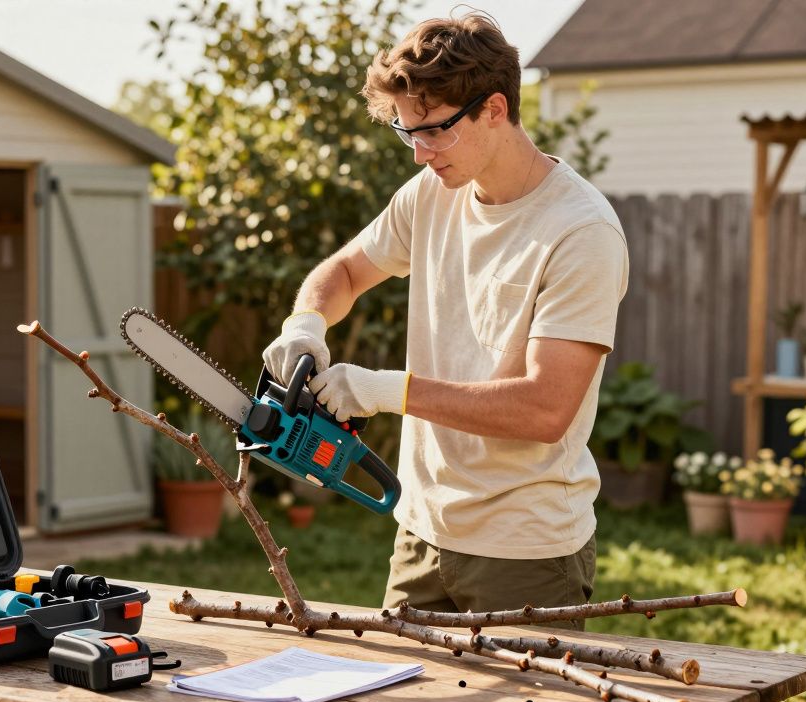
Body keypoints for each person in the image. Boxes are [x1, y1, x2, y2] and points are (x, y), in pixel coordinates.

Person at [261, 12, 628, 630]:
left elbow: (545, 410)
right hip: (421, 532)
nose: (421, 153)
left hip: (525, 549)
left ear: (493, 108)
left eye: (433, 132)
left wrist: (384, 390)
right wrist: (304, 324)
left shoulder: (580, 230)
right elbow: (345, 272)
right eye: (408, 134)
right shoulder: (431, 193)